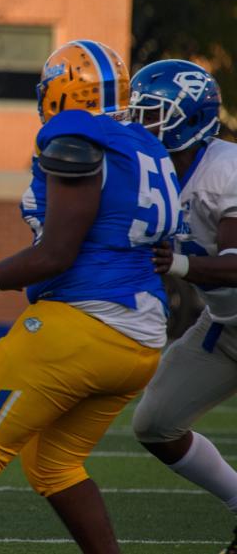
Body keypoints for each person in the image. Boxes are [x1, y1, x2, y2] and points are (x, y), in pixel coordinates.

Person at [0, 40, 180, 554]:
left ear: (62, 95)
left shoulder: (75, 137)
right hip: (141, 340)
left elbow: (55, 254)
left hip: (85, 324)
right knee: (53, 464)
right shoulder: (145, 145)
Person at [127, 60, 237, 554]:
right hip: (226, 325)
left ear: (192, 117)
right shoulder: (150, 170)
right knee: (155, 422)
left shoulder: (225, 170)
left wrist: (180, 266)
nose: (141, 125)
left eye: (153, 114)